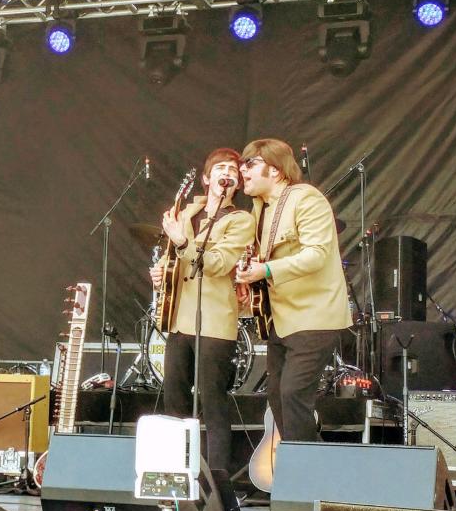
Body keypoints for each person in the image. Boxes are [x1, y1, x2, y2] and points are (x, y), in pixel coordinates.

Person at [235, 139, 351, 443]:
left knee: (293, 394)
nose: (242, 171)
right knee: (277, 397)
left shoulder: (306, 199)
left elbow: (317, 255)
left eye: (250, 164)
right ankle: (306, 468)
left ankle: (305, 478)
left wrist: (267, 270)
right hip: (281, 319)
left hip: (314, 316)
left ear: (274, 170)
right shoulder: (259, 209)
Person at [149, 147, 255, 479]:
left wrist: (183, 245)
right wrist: (160, 272)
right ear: (207, 178)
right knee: (174, 398)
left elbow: (219, 263)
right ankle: (175, 473)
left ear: (236, 184)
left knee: (213, 402)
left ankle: (218, 480)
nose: (228, 173)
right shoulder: (185, 214)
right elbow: (173, 258)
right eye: (221, 168)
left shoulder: (240, 220)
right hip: (178, 317)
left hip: (215, 319)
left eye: (234, 171)